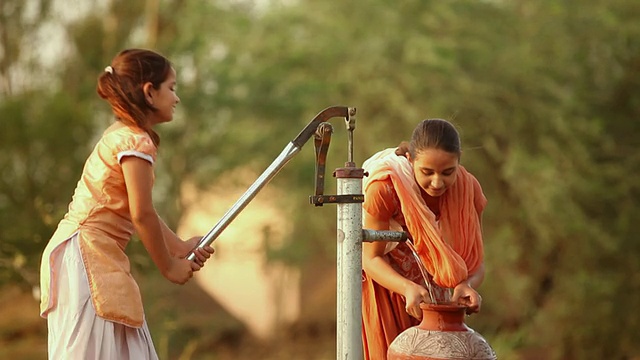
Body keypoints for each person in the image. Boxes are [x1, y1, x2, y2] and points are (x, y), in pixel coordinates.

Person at [39, 48, 215, 359]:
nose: (176, 98)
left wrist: (178, 246)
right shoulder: (136, 141)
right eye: (171, 88)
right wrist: (170, 266)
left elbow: (140, 210)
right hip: (87, 255)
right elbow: (141, 214)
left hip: (85, 254)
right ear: (150, 92)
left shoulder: (122, 135)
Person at [361, 118, 487, 359]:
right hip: (389, 292)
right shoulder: (385, 189)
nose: (438, 182)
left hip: (439, 301)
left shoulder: (468, 191)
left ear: (459, 161)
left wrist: (466, 285)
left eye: (448, 172)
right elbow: (371, 258)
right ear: (410, 160)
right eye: (427, 172)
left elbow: (477, 261)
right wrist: (407, 287)